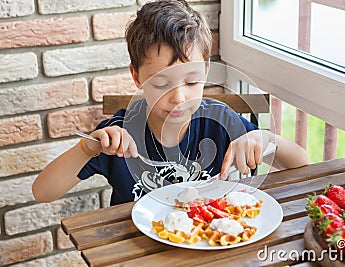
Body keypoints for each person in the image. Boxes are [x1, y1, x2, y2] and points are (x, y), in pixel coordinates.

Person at [32, 0, 309, 205]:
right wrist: (88, 147)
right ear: (137, 76)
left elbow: (302, 164)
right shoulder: (119, 134)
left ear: (205, 71)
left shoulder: (221, 121)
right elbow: (42, 192)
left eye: (191, 81)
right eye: (162, 83)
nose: (178, 97)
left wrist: (264, 137)